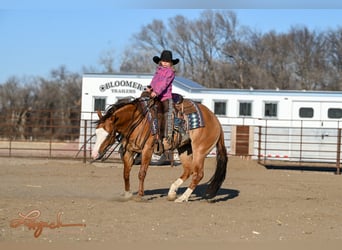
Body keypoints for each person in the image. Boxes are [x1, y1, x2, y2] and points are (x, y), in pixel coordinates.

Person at [147, 50, 179, 150]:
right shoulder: (158, 71)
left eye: (167, 61)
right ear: (160, 61)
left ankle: (166, 136)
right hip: (155, 96)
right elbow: (154, 81)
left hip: (165, 97)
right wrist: (151, 88)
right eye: (163, 61)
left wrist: (156, 92)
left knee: (167, 113)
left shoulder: (170, 72)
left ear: (171, 63)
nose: (165, 63)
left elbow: (164, 84)